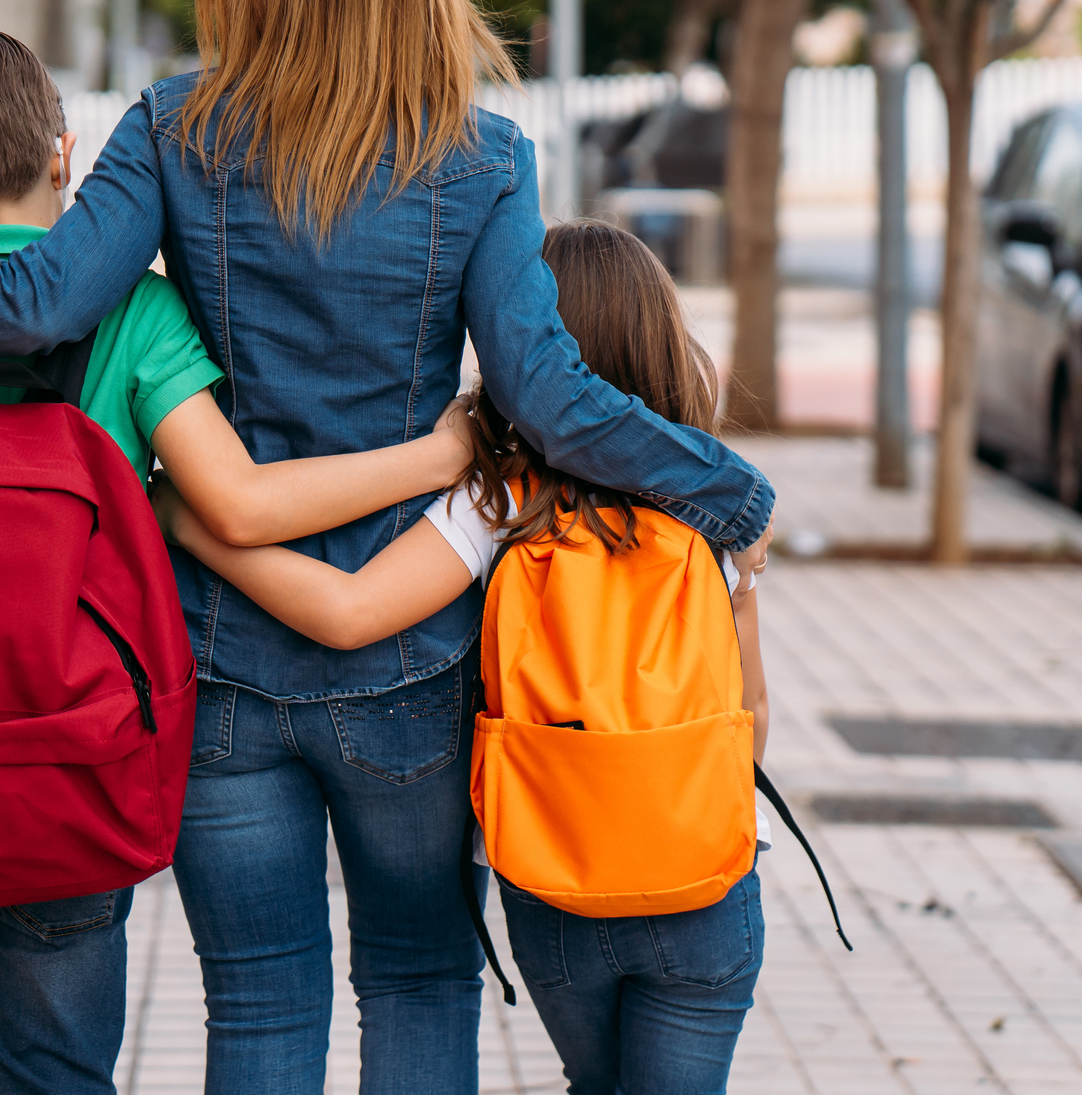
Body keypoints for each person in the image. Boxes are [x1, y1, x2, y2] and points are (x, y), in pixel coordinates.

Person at [0, 0, 774, 1095]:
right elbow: (542, 389)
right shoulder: (480, 159)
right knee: (419, 982)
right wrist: (727, 490)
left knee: (258, 1002)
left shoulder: (168, 128)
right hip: (413, 661)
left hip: (218, 656)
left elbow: (39, 299)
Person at [0, 25, 474, 1095]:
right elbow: (242, 500)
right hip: (73, 772)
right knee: (60, 1073)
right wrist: (442, 455)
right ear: (64, 154)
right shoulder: (134, 318)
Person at [155, 221, 770, 1093]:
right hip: (702, 876)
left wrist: (189, 520)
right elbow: (749, 730)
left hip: (556, 882)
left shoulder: (502, 498)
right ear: (667, 348)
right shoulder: (714, 515)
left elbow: (351, 609)